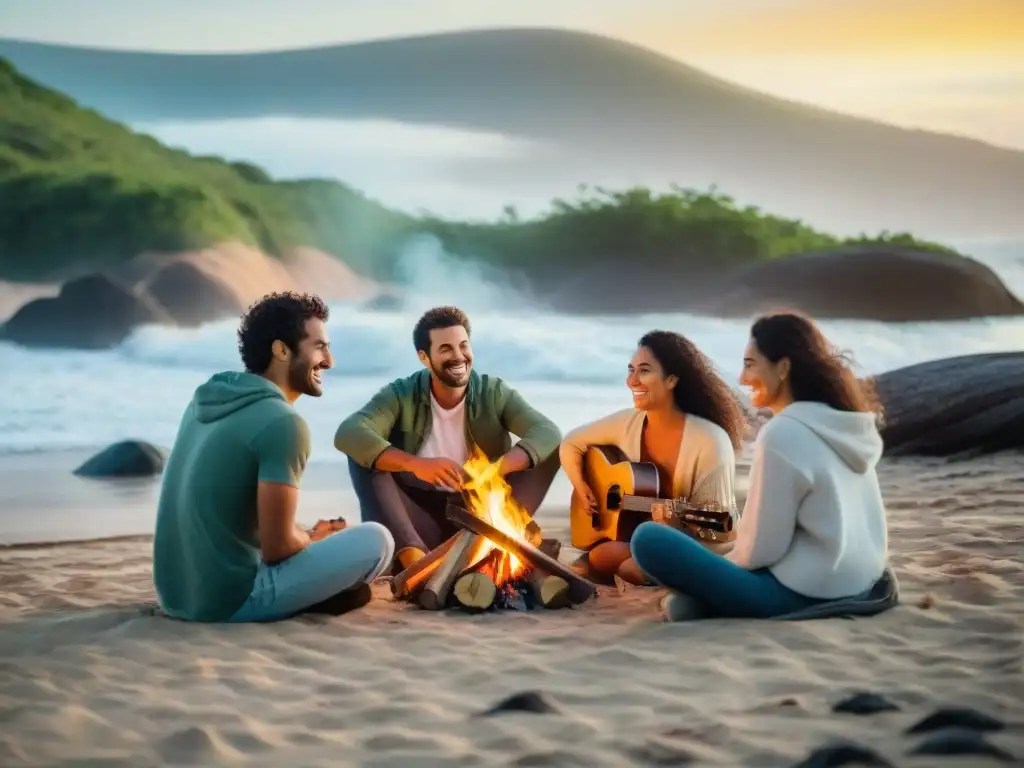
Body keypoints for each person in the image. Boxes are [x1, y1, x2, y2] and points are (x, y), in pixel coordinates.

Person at [153, 292, 395, 623]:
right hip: (229, 602)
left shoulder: (205, 401)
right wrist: (308, 539)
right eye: (319, 346)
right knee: (378, 541)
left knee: (314, 537)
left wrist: (309, 537)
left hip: (175, 597)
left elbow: (241, 522)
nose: (330, 360)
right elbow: (277, 547)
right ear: (281, 350)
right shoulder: (283, 423)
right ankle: (312, 598)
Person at [630, 311, 889, 620]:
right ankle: (704, 602)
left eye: (750, 364)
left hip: (803, 593)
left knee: (649, 539)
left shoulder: (782, 433)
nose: (741, 378)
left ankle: (712, 601)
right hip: (863, 580)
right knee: (694, 558)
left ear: (783, 367)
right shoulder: (842, 423)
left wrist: (721, 573)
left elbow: (763, 551)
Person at [336, 305, 562, 571]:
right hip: (420, 518)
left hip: (480, 513)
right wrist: (415, 465)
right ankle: (413, 559)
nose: (459, 357)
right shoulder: (401, 393)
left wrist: (496, 469)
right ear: (424, 357)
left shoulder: (493, 392)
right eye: (446, 349)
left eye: (463, 346)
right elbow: (349, 432)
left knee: (549, 451)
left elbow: (547, 432)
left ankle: (499, 538)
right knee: (365, 457)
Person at [559, 330, 746, 585]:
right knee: (603, 555)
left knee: (627, 565)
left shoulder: (709, 441)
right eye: (630, 370)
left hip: (704, 549)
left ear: (671, 380)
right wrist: (582, 488)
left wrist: (676, 520)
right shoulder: (628, 423)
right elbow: (571, 443)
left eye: (644, 371)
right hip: (645, 536)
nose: (632, 381)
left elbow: (723, 530)